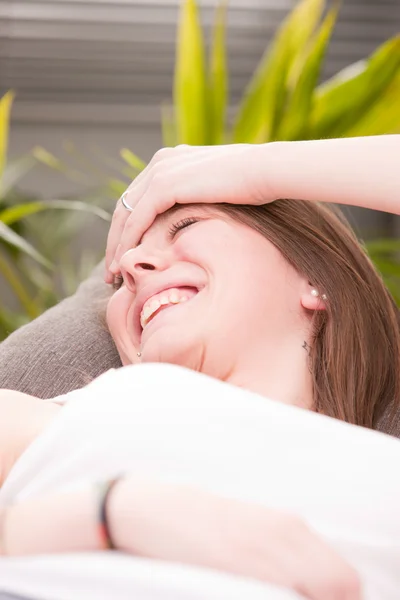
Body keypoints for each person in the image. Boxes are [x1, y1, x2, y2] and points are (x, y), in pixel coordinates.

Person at [0, 135, 399, 600]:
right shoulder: (52, 420)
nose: (131, 264)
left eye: (185, 225)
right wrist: (111, 513)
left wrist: (258, 168)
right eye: (117, 281)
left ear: (315, 277)